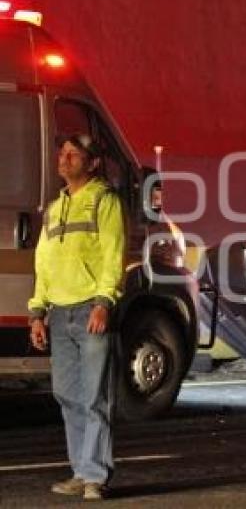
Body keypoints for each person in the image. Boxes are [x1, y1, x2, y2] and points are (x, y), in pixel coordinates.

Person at [28, 132, 125, 502]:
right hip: (59, 313)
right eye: (63, 154)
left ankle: (95, 477)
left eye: (73, 154)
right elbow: (44, 262)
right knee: (67, 395)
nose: (64, 159)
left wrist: (104, 301)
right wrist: (37, 311)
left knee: (94, 396)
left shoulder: (104, 200)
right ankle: (80, 471)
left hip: (90, 311)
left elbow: (113, 253)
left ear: (93, 162)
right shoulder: (54, 208)